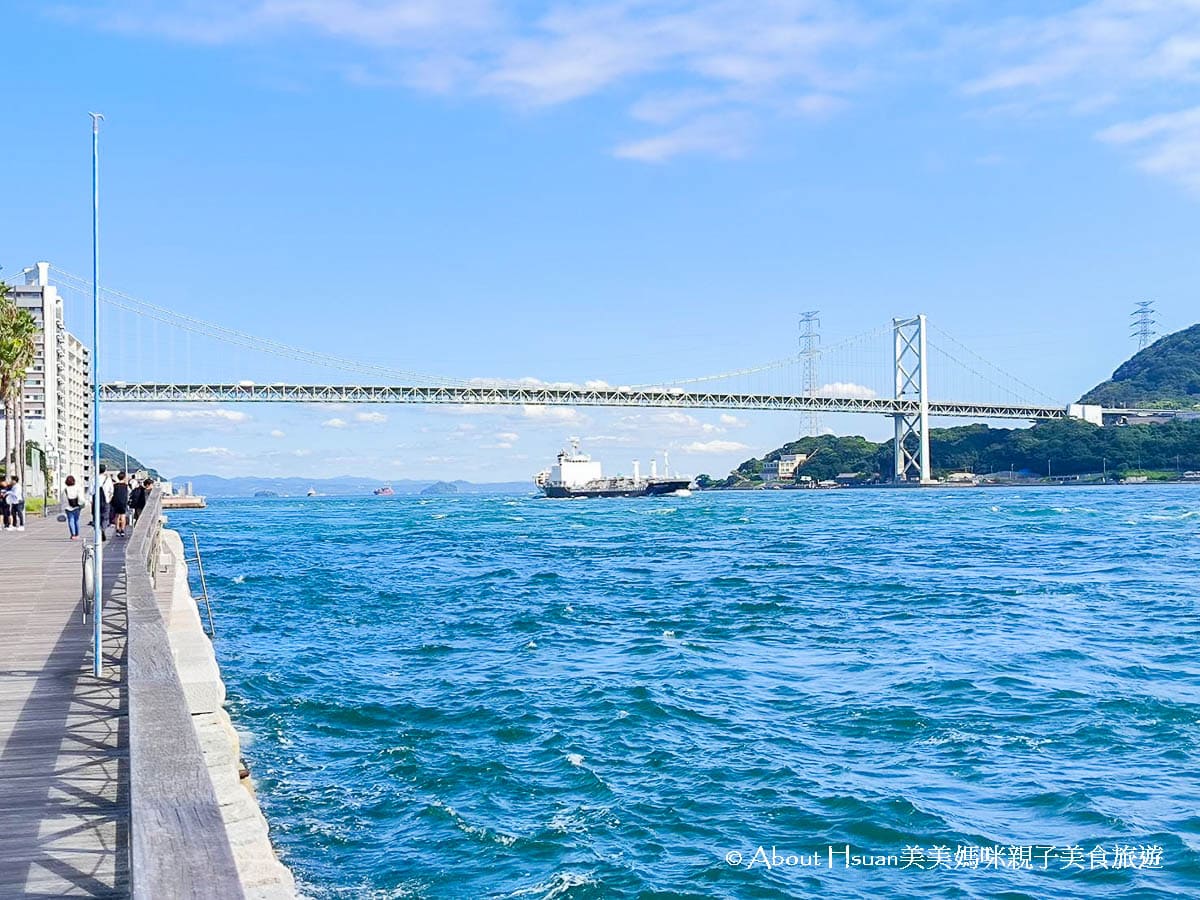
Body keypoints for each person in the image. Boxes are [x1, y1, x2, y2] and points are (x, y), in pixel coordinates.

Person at [63, 475, 83, 540]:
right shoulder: (77, 488)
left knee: (70, 520)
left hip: (68, 507)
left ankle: (73, 535)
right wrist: (81, 505)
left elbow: (63, 500)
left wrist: (64, 507)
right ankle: (77, 534)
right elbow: (81, 498)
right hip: (77, 507)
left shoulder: (65, 489)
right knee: (76, 520)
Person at [111, 472, 130, 537]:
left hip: (116, 502)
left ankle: (117, 529)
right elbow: (129, 493)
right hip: (123, 502)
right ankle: (122, 530)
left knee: (117, 516)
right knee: (123, 516)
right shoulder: (126, 486)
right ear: (124, 477)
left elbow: (112, 493)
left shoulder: (115, 485)